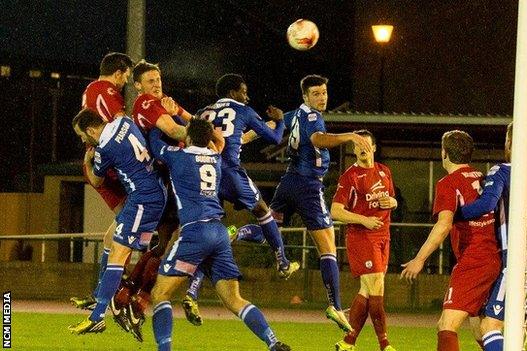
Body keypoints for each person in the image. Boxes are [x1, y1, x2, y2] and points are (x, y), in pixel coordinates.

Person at [148, 118, 291, 351]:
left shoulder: (178, 156)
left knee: (160, 294)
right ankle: (273, 341)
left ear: (188, 138)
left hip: (195, 231)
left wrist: (157, 121)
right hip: (219, 233)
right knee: (234, 300)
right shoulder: (216, 157)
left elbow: (155, 143)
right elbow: (219, 142)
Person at [269, 74, 372, 332]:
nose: (322, 98)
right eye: (316, 94)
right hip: (308, 186)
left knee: (268, 227)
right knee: (328, 247)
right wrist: (349, 135)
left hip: (289, 181)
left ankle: (234, 233)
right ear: (305, 96)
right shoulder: (314, 117)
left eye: (324, 93)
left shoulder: (294, 114)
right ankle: (334, 305)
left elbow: (267, 127)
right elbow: (317, 139)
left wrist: (237, 140)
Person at [107, 60, 199, 341]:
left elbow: (187, 123)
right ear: (137, 86)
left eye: (158, 79)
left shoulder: (162, 104)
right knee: (164, 243)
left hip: (170, 181)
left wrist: (181, 113)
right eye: (149, 80)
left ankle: (131, 297)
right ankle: (126, 296)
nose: (156, 84)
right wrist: (200, 135)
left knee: (161, 244)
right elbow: (175, 132)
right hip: (163, 181)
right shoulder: (147, 104)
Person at [458, 123, 527, 351]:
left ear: (509, 142)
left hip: (518, 258)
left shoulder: (503, 170)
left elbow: (486, 204)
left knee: (490, 326)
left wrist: (456, 213)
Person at [400, 130, 501, 351]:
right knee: (482, 329)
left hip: (473, 261)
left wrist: (420, 258)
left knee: (446, 325)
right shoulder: (483, 178)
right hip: (494, 259)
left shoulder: (448, 183)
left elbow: (443, 225)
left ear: (444, 153)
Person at [68, 109, 165, 335]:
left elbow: (96, 180)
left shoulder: (104, 149)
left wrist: (87, 161)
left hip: (144, 200)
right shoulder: (124, 121)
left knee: (119, 255)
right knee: (111, 239)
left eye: (82, 135)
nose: (83, 140)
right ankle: (101, 296)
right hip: (150, 193)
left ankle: (100, 315)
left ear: (91, 130)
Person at [194, 73, 299, 280]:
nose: (247, 97)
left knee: (211, 229)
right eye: (243, 92)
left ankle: (193, 288)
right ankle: (283, 262)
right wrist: (278, 121)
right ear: (233, 92)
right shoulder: (243, 110)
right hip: (230, 172)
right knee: (262, 210)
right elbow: (276, 138)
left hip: (204, 174)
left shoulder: (202, 112)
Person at [70, 52, 134, 311]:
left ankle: (101, 293)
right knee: (133, 220)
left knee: (119, 228)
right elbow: (119, 124)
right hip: (107, 165)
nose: (125, 82)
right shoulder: (106, 91)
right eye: (126, 77)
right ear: (118, 73)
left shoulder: (90, 89)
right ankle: (119, 290)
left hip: (95, 163)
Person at [331, 130, 397, 351]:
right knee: (376, 287)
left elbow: (392, 199)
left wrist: (393, 203)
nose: (362, 149)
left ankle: (348, 342)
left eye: (366, 145)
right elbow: (335, 211)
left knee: (367, 291)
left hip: (383, 236)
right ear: (353, 149)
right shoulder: (350, 176)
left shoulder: (384, 172)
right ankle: (385, 344)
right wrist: (364, 220)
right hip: (362, 237)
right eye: (358, 145)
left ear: (374, 148)